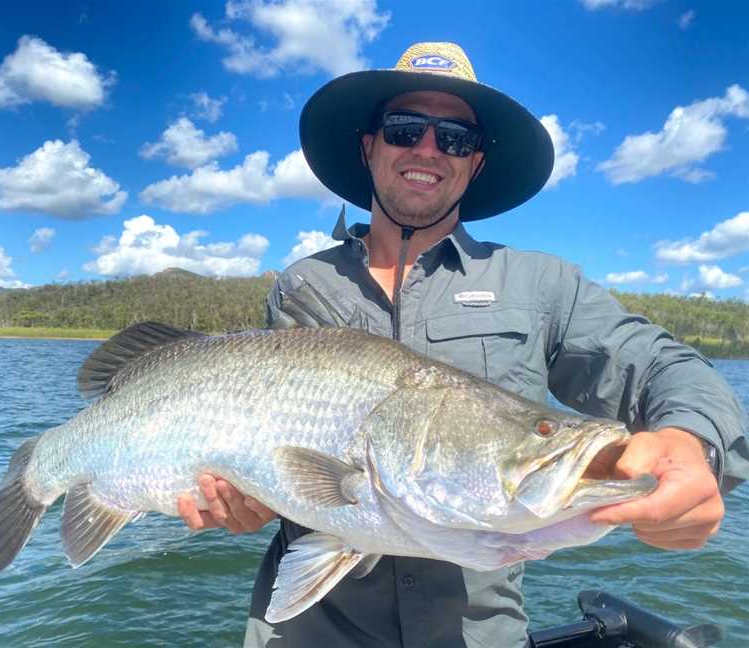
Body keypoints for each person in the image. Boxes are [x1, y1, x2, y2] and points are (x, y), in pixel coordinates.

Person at [177, 42, 749, 647]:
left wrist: (693, 446)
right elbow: (273, 453)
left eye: (453, 138)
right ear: (369, 146)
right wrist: (248, 499)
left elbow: (665, 366)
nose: (427, 149)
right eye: (404, 129)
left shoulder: (541, 283)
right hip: (310, 631)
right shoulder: (302, 285)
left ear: (474, 163)